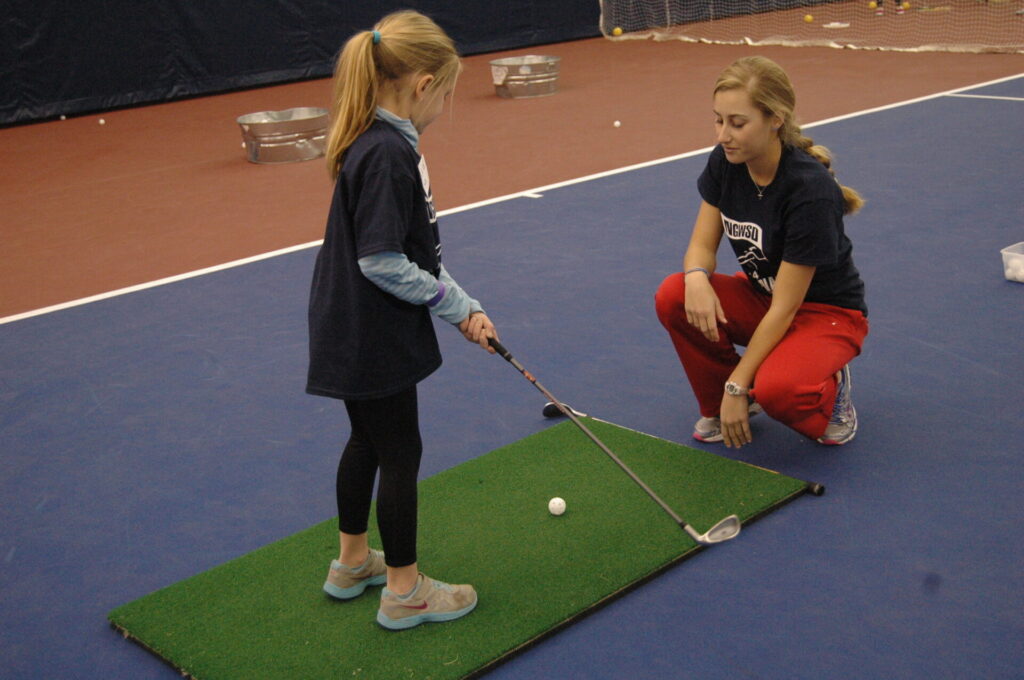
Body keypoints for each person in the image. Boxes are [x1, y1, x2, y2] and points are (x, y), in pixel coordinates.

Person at [306, 10, 498, 630]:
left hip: (349, 324)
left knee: (367, 439)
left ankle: (353, 563)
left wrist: (464, 302)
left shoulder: (374, 137)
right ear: (422, 86)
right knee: (400, 451)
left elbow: (411, 256)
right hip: (373, 332)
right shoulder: (389, 152)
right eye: (446, 93)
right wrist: (455, 307)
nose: (445, 105)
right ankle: (405, 592)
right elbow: (383, 262)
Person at [654, 56, 868, 450]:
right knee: (675, 294)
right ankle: (725, 403)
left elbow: (787, 307)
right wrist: (696, 277)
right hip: (765, 299)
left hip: (825, 314)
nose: (723, 134)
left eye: (738, 123)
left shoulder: (809, 190)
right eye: (718, 120)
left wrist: (739, 384)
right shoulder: (727, 161)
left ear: (776, 119)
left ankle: (830, 389)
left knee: (780, 392)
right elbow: (701, 245)